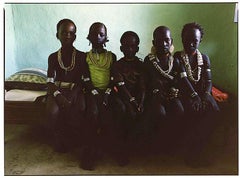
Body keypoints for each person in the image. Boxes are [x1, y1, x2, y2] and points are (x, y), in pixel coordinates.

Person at [174, 22, 220, 167]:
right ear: (182, 39)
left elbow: (209, 80)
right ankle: (191, 154)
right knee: (193, 110)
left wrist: (206, 95)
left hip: (202, 93)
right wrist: (195, 96)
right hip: (186, 93)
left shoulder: (204, 58)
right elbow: (184, 80)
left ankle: (201, 149)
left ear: (200, 41)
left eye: (195, 40)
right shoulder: (178, 57)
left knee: (214, 110)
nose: (191, 43)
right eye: (187, 39)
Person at [46, 19, 86, 153]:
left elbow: (82, 80)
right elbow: (50, 82)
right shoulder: (52, 57)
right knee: (52, 111)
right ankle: (57, 138)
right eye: (64, 32)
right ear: (57, 35)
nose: (67, 35)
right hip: (57, 90)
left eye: (71, 33)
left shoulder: (81, 56)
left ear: (75, 36)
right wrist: (58, 96)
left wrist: (73, 95)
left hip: (75, 90)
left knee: (79, 107)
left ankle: (75, 138)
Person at [80, 22, 116, 170]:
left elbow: (113, 77)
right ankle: (89, 152)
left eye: (101, 34)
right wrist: (94, 93)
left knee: (111, 113)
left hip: (108, 91)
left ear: (106, 38)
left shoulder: (111, 56)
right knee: (93, 113)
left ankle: (112, 148)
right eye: (94, 34)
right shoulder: (85, 56)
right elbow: (86, 78)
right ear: (88, 36)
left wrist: (107, 94)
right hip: (91, 91)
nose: (97, 37)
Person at [143, 26, 184, 151]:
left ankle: (170, 142)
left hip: (170, 95)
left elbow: (178, 81)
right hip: (155, 95)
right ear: (154, 43)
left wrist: (174, 90)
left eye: (167, 40)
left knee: (179, 109)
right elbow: (147, 82)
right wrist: (156, 90)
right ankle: (155, 143)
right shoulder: (149, 60)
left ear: (171, 41)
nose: (164, 44)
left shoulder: (175, 61)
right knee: (160, 113)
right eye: (159, 41)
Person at [111, 31, 146, 166]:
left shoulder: (141, 65)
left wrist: (141, 102)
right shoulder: (117, 65)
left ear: (137, 48)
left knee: (140, 111)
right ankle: (121, 150)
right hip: (121, 96)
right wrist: (132, 102)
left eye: (132, 46)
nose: (129, 49)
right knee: (124, 110)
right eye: (126, 46)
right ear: (121, 48)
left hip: (136, 97)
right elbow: (121, 87)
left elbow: (143, 87)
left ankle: (134, 147)